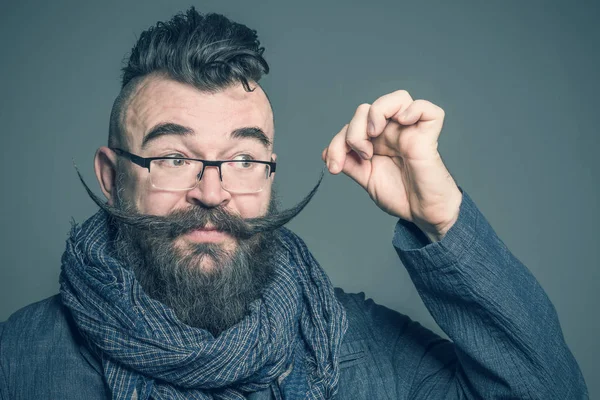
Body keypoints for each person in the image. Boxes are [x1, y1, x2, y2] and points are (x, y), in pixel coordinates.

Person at [0, 7, 588, 400]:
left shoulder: (352, 345)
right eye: (174, 159)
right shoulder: (20, 360)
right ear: (111, 177)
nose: (212, 192)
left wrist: (440, 219)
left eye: (244, 159)